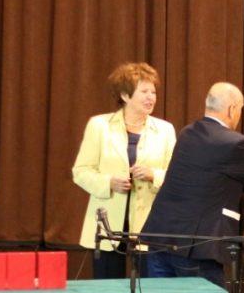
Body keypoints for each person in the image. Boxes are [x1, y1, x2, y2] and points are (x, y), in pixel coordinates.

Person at [140, 82, 244, 288]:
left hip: (161, 239)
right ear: (231, 109)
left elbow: (219, 178)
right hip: (197, 246)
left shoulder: (187, 133)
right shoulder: (232, 142)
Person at [72, 62, 176, 278]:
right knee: (108, 288)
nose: (151, 98)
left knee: (148, 289)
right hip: (108, 222)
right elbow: (81, 171)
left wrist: (153, 175)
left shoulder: (165, 130)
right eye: (144, 92)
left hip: (149, 222)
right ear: (125, 96)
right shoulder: (99, 126)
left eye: (153, 92)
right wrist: (109, 182)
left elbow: (176, 177)